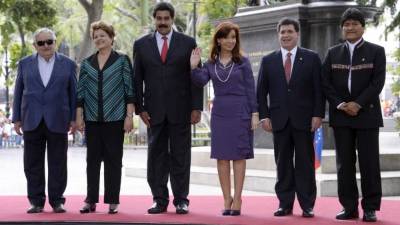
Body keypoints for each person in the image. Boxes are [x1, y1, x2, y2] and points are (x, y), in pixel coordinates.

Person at [133, 2, 203, 214]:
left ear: (172, 19)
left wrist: (196, 107)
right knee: (156, 157)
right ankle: (159, 199)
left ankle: (181, 199)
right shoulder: (141, 44)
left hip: (181, 109)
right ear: (154, 19)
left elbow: (196, 76)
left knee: (181, 155)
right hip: (153, 111)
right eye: (159, 18)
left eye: (166, 18)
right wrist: (140, 108)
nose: (162, 22)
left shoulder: (188, 42)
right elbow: (137, 79)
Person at [321, 8, 385, 222]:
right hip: (341, 116)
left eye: (354, 24)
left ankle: (370, 208)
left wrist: (358, 104)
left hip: (367, 114)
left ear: (362, 27)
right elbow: (325, 83)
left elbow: (377, 83)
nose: (350, 28)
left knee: (369, 163)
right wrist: (340, 104)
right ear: (342, 28)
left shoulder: (377, 51)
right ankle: (349, 207)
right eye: (346, 24)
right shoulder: (332, 53)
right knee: (344, 165)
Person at [257, 18, 324, 218]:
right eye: (282, 32)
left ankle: (307, 205)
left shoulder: (311, 58)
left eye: (289, 31)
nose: (285, 35)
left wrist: (318, 114)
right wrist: (264, 116)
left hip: (305, 120)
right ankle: (284, 204)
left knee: (305, 163)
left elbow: (318, 90)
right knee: (283, 164)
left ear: (297, 34)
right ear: (278, 35)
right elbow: (261, 92)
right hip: (279, 121)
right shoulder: (268, 60)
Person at [190, 21, 258, 216]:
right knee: (221, 158)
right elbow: (201, 81)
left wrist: (255, 114)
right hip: (220, 113)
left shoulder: (242, 62)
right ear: (218, 40)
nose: (230, 41)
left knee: (238, 156)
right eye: (226, 37)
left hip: (241, 111)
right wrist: (194, 67)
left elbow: (250, 89)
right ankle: (226, 198)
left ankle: (238, 198)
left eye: (233, 37)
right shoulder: (211, 63)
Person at [12, 28, 77, 213]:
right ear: (35, 46)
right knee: (32, 163)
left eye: (49, 41)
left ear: (55, 42)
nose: (46, 46)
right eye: (41, 43)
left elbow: (73, 93)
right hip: (31, 119)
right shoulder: (24, 64)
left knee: (58, 162)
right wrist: (16, 118)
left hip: (58, 119)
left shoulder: (69, 64)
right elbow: (18, 91)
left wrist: (74, 118)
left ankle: (57, 201)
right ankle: (36, 201)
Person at [76, 21, 135, 214]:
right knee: (91, 161)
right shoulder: (86, 63)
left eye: (103, 35)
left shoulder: (122, 60)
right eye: (96, 37)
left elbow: (129, 91)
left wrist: (129, 116)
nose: (99, 39)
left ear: (111, 37)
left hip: (116, 118)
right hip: (92, 119)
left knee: (114, 160)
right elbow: (80, 93)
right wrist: (79, 117)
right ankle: (90, 200)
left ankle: (112, 200)